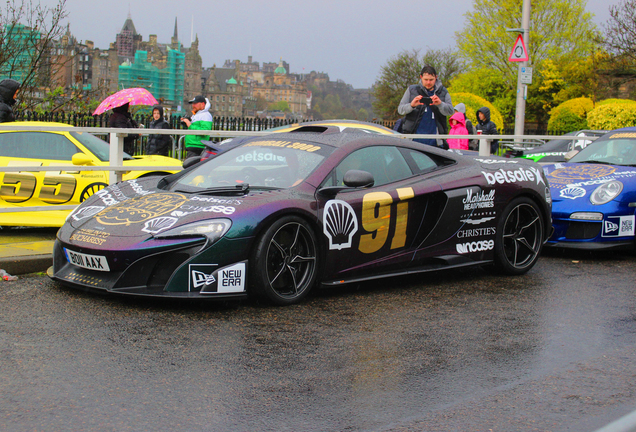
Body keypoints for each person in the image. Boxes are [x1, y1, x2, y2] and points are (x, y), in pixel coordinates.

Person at [397, 65, 454, 148]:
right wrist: (411, 105)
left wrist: (440, 104)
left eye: (431, 80)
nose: (428, 82)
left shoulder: (443, 91)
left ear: (436, 77)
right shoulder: (411, 90)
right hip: (413, 141)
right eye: (426, 79)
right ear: (421, 77)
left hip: (436, 142)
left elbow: (450, 111)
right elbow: (400, 110)